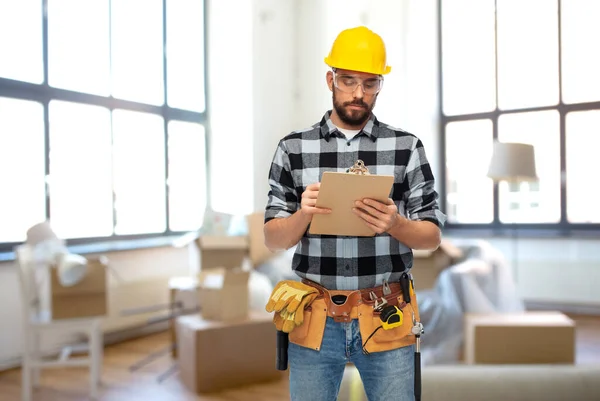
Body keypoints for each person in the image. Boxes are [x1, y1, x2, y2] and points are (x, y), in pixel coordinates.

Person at [263, 26, 446, 401]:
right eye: (347, 81)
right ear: (330, 79)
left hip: (386, 315)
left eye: (369, 83)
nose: (358, 94)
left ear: (380, 84)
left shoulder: (406, 147)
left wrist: (396, 224)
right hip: (314, 316)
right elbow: (272, 239)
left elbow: (432, 235)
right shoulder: (293, 148)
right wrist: (303, 215)